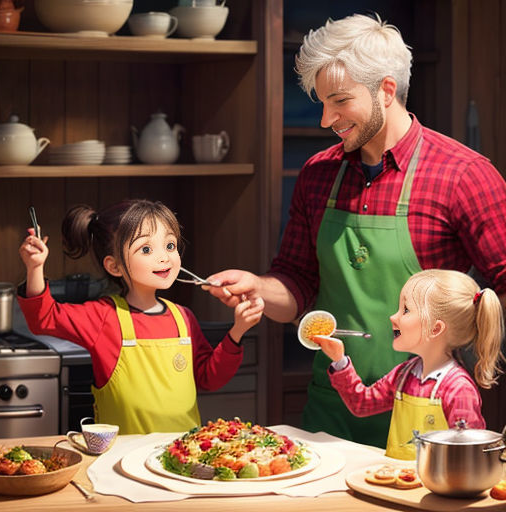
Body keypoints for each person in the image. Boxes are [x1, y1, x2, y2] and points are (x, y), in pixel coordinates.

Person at [204, 12, 506, 448]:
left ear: (386, 90)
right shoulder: (318, 173)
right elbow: (298, 284)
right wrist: (258, 287)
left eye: (340, 101)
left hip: (430, 416)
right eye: (322, 103)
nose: (327, 119)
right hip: (331, 412)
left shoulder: (464, 175)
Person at [18, 199, 264, 435]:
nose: (164, 257)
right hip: (119, 461)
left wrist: (237, 331)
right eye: (146, 249)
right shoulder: (103, 317)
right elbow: (43, 318)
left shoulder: (184, 318)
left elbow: (209, 378)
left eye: (170, 245)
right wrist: (35, 268)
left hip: (179, 456)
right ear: (114, 266)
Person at [311, 269, 504, 460]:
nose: (393, 317)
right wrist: (339, 359)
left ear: (435, 328)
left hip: (437, 488)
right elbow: (362, 404)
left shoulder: (459, 389)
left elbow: (470, 454)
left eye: (405, 310)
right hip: (397, 483)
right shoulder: (404, 374)